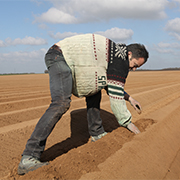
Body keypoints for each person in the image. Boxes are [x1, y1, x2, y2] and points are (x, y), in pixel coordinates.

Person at [17, 33, 149, 175]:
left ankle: (97, 133)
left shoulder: (115, 54)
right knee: (61, 103)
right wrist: (127, 122)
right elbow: (115, 94)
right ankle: (29, 156)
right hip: (58, 57)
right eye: (135, 65)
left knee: (95, 88)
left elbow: (109, 84)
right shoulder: (120, 60)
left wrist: (129, 98)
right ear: (129, 54)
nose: (133, 69)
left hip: (61, 57)